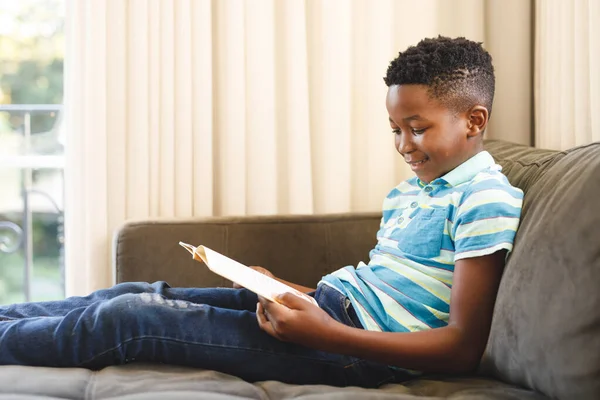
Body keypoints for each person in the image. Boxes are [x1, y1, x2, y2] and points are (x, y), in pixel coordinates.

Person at [0, 36, 523, 388]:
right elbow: (380, 290)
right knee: (135, 293)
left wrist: (323, 333)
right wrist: (286, 290)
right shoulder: (414, 190)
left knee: (127, 320)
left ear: (474, 120)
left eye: (418, 127)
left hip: (353, 350)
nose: (404, 144)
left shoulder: (484, 199)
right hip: (326, 310)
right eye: (395, 130)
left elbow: (460, 348)